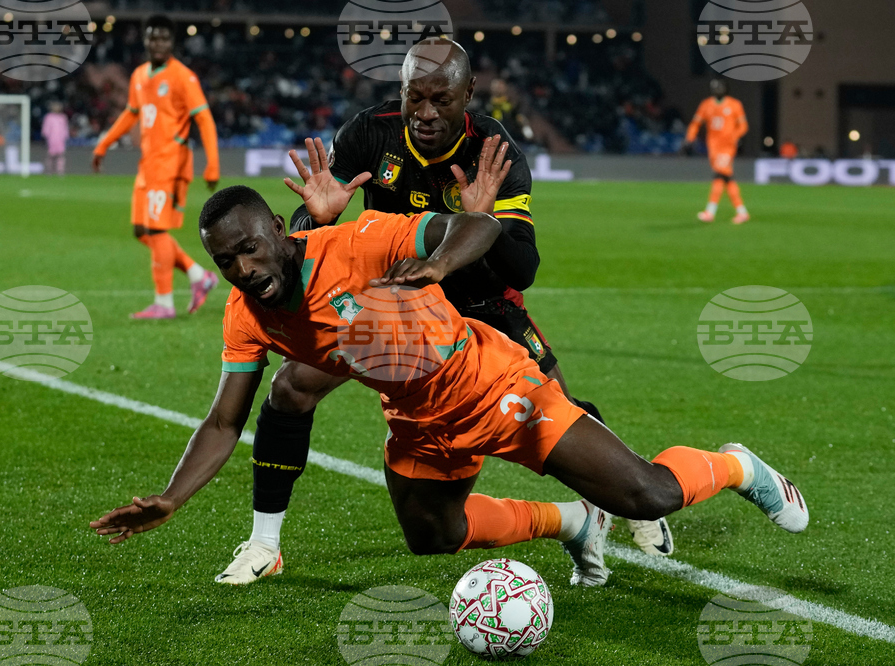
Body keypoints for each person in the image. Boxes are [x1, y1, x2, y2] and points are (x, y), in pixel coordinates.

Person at [89, 182, 809, 591]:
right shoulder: (247, 316)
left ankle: (740, 465)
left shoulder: (361, 242)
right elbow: (223, 422)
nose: (243, 269)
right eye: (225, 261)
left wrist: (436, 266)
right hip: (418, 423)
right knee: (432, 538)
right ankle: (569, 522)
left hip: (495, 387)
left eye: (250, 248)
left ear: (279, 230)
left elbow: (476, 225)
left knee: (649, 494)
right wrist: (171, 499)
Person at [225, 39, 672, 585]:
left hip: (481, 304)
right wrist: (314, 219)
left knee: (559, 406)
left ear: (468, 94)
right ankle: (264, 544)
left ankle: (633, 508)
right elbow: (300, 235)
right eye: (416, 97)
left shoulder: (493, 150)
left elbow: (523, 267)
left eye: (441, 98)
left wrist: (484, 221)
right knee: (290, 391)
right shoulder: (370, 132)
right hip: (397, 312)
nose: (426, 112)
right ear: (402, 93)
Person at [92, 15, 220, 319]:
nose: (157, 43)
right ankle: (198, 275)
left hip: (171, 163)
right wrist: (104, 143)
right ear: (145, 40)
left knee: (156, 229)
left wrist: (212, 162)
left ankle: (164, 304)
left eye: (163, 38)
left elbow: (203, 118)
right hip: (148, 163)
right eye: (152, 37)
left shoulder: (182, 77)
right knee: (141, 230)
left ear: (172, 42)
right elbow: (131, 113)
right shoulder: (139, 75)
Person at [685, 79, 750, 225]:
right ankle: (742, 212)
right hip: (713, 147)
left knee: (720, 174)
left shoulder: (734, 104)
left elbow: (743, 126)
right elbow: (696, 122)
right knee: (725, 177)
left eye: (720, 87)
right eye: (714, 88)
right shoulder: (706, 104)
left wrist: (734, 136)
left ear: (726, 89)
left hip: (727, 147)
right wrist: (690, 136)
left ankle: (710, 211)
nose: (717, 90)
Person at [41, 101, 69, 176]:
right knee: (51, 155)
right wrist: (46, 136)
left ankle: (60, 171)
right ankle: (49, 171)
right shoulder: (49, 117)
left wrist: (65, 136)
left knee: (60, 155)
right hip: (52, 139)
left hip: (60, 139)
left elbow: (65, 128)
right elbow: (46, 128)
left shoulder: (63, 117)